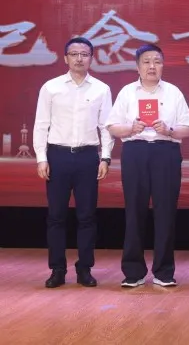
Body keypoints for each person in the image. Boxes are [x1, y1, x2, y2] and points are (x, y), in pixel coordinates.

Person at [106, 44, 189, 288]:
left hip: (166, 152)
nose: (152, 66)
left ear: (163, 65)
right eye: (146, 61)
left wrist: (169, 130)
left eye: (157, 61)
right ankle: (133, 271)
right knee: (134, 211)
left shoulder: (173, 92)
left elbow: (188, 128)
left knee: (165, 212)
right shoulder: (127, 92)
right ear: (137, 67)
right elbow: (112, 126)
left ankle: (164, 271)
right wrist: (130, 128)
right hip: (135, 151)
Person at [33, 37, 114, 288]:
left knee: (87, 216)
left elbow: (106, 127)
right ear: (66, 58)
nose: (80, 58)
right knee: (56, 216)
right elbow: (41, 125)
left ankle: (84, 269)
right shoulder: (51, 87)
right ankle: (57, 270)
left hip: (88, 157)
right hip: (57, 156)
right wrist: (41, 158)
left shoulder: (101, 89)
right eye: (74, 54)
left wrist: (105, 157)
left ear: (91, 58)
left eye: (84, 54)